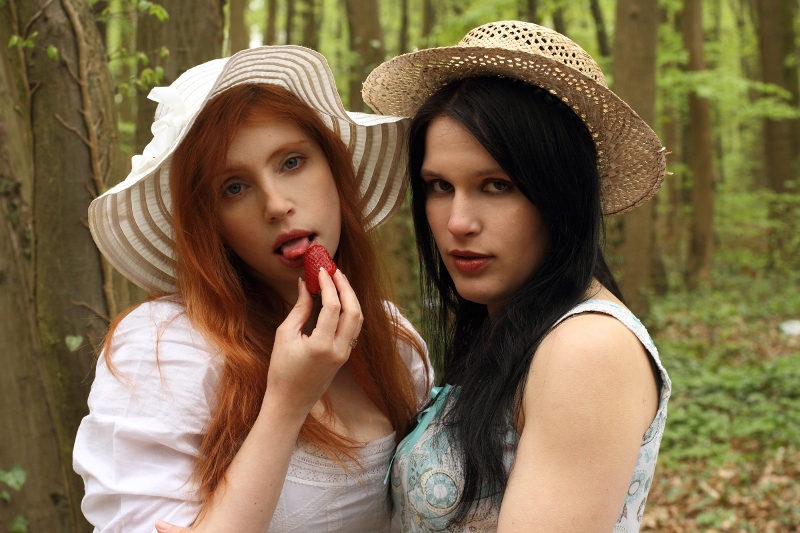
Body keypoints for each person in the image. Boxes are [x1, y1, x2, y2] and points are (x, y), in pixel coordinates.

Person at [73, 45, 432, 533]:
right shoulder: (168, 350)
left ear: (335, 170)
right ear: (210, 224)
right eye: (234, 187)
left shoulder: (392, 340)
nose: (276, 205)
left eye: (292, 162)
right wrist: (286, 403)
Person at [362, 21, 671, 532]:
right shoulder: (510, 331)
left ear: (561, 193)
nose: (458, 222)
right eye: (439, 186)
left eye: (496, 185)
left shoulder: (587, 349)